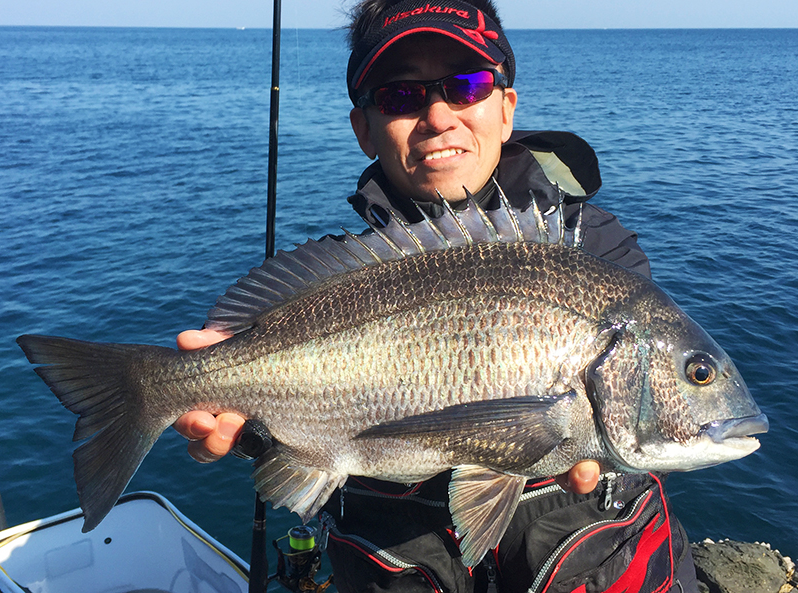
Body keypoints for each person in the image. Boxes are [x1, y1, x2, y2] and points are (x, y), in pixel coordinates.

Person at [175, 1, 697, 591]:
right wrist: (255, 427)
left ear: (506, 109)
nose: (439, 116)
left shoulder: (595, 251)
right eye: (401, 97)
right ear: (363, 129)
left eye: (466, 85)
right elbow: (290, 438)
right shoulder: (338, 284)